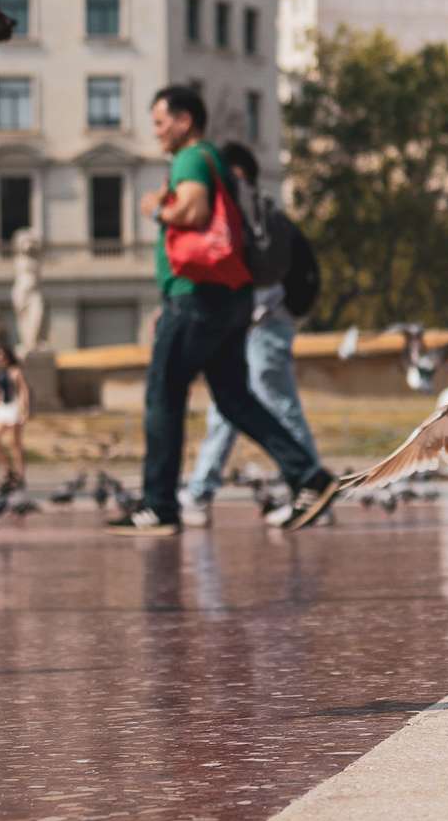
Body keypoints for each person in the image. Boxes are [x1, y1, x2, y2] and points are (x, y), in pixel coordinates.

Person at [117, 86, 323, 534]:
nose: (155, 132)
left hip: (196, 296)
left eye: (159, 122)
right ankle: (310, 476)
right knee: (233, 398)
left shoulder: (191, 159)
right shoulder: (213, 160)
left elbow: (192, 211)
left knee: (163, 394)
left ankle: (159, 505)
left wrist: (157, 209)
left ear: (184, 120)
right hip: (232, 297)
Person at [180, 142, 338, 526]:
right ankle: (202, 491)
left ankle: (312, 489)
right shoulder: (252, 210)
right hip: (253, 322)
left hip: (264, 322)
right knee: (229, 405)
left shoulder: (249, 212)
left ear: (236, 174)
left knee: (274, 403)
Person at [0, 332, 32, 487]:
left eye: (0, 356)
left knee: (15, 444)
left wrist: (25, 410)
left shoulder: (15, 371)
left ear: (7, 356)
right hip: (1, 409)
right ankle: (8, 469)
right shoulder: (0, 372)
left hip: (14, 408)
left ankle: (20, 475)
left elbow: (23, 391)